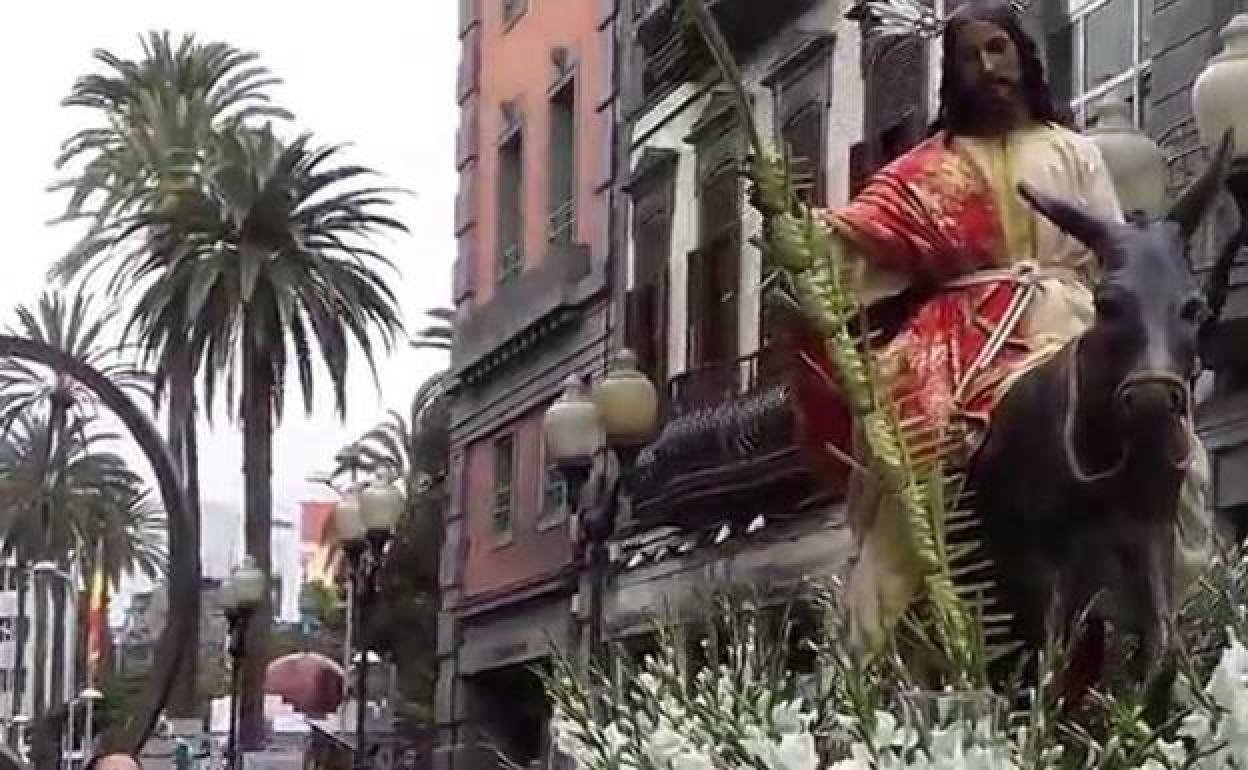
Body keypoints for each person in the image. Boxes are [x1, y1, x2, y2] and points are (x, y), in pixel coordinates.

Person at [783, 0, 1213, 652]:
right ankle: (868, 644)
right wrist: (803, 236)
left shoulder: (1074, 152)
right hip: (955, 337)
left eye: (997, 49)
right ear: (952, 72)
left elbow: (1116, 252)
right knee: (906, 469)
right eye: (969, 56)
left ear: (1022, 54)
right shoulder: (928, 167)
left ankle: (1175, 608)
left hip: (1065, 316)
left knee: (1171, 439)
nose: (986, 67)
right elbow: (857, 241)